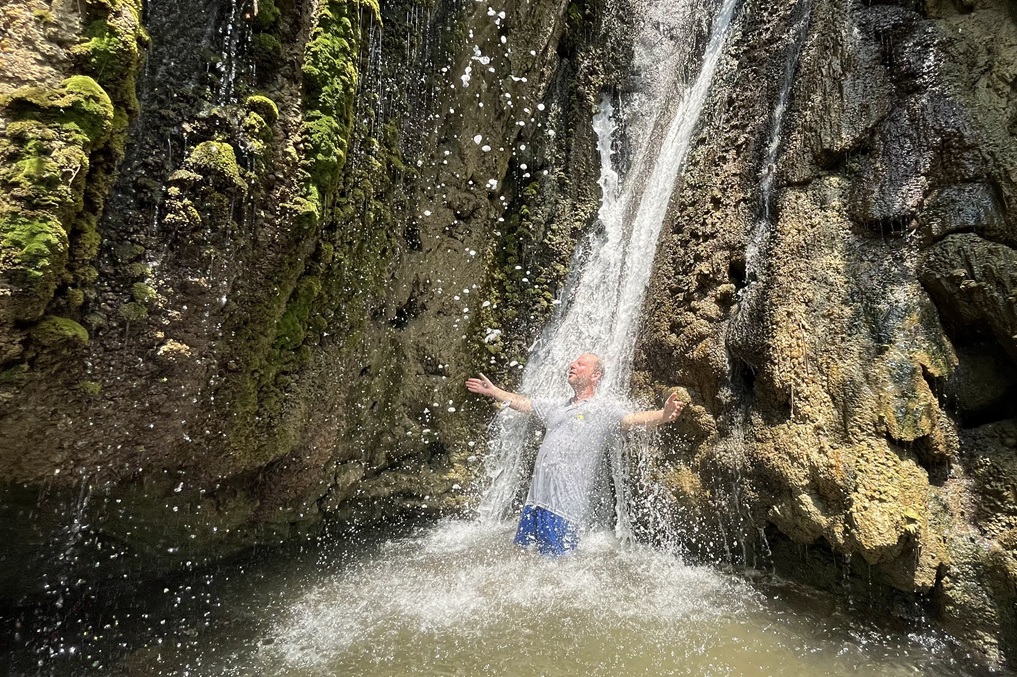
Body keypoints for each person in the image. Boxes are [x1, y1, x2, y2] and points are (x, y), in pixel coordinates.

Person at [465, 353, 685, 556]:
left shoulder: (602, 409)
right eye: (574, 362)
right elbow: (525, 403)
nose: (573, 365)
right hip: (535, 502)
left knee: (557, 568)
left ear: (595, 376)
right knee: (525, 559)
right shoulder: (558, 406)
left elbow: (631, 419)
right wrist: (494, 392)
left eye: (581, 364)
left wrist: (664, 415)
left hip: (564, 509)